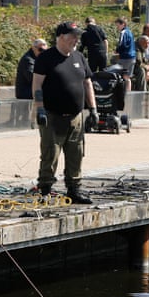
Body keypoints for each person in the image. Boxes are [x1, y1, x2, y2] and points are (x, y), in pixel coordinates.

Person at [32, 21, 98, 204]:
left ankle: (74, 189)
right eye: (73, 36)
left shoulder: (79, 57)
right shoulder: (46, 58)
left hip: (76, 116)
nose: (76, 39)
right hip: (52, 116)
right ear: (61, 37)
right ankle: (44, 189)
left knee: (76, 153)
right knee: (50, 154)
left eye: (78, 35)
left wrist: (93, 109)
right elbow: (37, 84)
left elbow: (87, 83)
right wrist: (39, 109)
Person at [113, 17, 135, 91]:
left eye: (118, 25)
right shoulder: (129, 32)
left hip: (125, 57)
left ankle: (122, 93)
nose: (117, 27)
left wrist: (117, 50)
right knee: (127, 77)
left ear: (123, 24)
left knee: (120, 75)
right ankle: (128, 94)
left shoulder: (123, 33)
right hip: (132, 56)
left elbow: (122, 44)